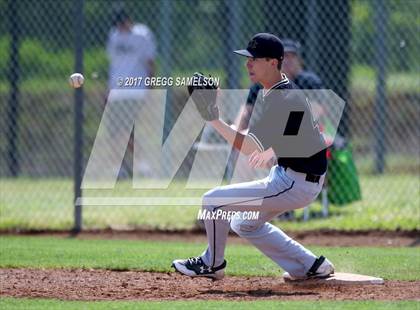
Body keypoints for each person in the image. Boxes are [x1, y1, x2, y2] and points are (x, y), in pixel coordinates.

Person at [172, 33, 334, 281]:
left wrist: (213, 118)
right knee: (243, 224)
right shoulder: (277, 92)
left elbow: (249, 148)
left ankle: (212, 264)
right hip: (293, 177)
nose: (248, 64)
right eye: (248, 58)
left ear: (273, 63)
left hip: (295, 182)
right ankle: (311, 265)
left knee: (213, 202)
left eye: (255, 59)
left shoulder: (283, 98)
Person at [234, 39, 325, 220]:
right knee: (245, 150)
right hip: (277, 135)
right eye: (287, 56)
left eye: (292, 56)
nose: (289, 61)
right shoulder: (263, 85)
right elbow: (246, 112)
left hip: (313, 134)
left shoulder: (307, 81)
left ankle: (280, 202)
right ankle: (243, 203)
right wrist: (236, 131)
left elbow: (316, 112)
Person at [106, 9, 156, 177]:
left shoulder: (142, 34)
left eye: (122, 24)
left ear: (129, 20)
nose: (120, 28)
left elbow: (150, 63)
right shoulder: (114, 36)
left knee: (126, 129)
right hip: (116, 91)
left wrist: (150, 88)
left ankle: (140, 165)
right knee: (114, 131)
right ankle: (123, 168)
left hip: (136, 90)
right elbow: (113, 65)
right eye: (118, 25)